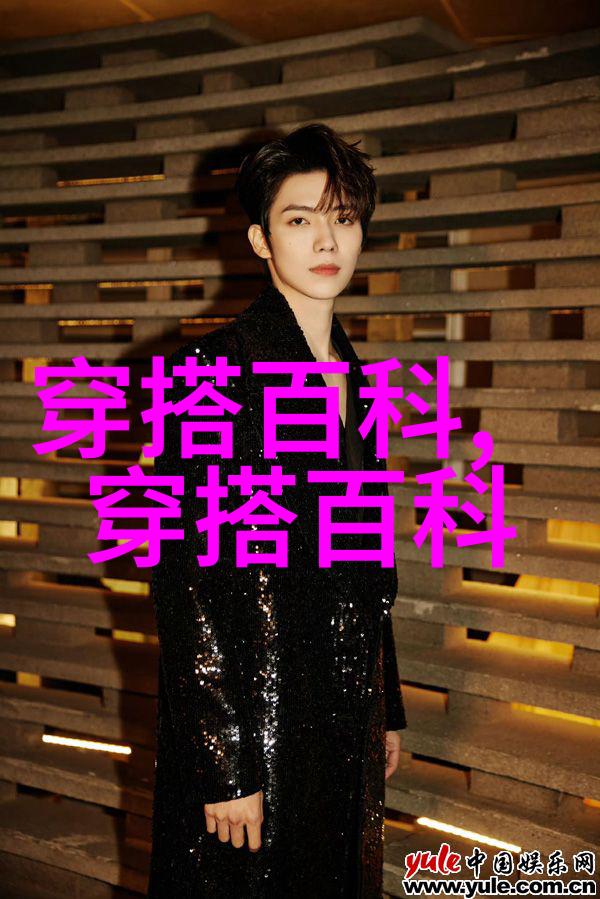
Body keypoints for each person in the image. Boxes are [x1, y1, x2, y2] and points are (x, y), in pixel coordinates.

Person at [148, 122, 407, 898]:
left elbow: (365, 554)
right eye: (300, 219)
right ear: (261, 238)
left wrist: (385, 705)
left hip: (341, 712)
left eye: (344, 217)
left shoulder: (359, 380)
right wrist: (223, 757)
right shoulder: (211, 370)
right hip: (251, 715)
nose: (327, 240)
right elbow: (184, 578)